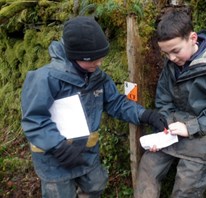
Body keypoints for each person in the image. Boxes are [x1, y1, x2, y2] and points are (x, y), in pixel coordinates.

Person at [21, 16, 167, 198]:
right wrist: (57, 146)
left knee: (95, 188)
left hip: (86, 156)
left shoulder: (98, 77)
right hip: (54, 160)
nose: (98, 64)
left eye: (101, 58)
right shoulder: (45, 79)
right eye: (93, 60)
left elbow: (116, 102)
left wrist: (145, 114)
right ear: (75, 56)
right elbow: (34, 119)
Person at [134, 10, 206, 198]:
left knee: (185, 189)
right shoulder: (172, 65)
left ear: (193, 38)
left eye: (175, 51)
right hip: (175, 128)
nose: (171, 58)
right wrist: (165, 125)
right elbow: (163, 98)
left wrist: (192, 127)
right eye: (166, 53)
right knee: (148, 167)